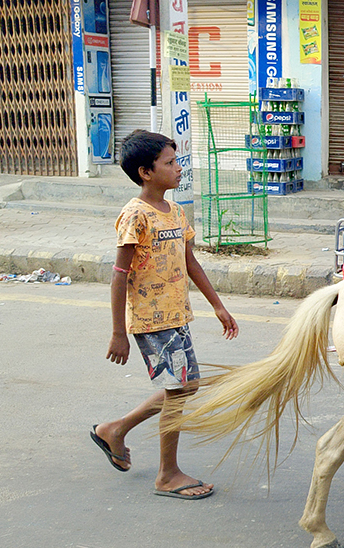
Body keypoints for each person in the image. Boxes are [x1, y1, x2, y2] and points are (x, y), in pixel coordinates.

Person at [90, 130, 239, 500]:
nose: (178, 168)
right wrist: (118, 332)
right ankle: (167, 474)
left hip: (176, 317)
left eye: (177, 160)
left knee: (184, 386)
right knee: (177, 391)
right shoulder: (134, 215)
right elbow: (119, 275)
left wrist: (218, 306)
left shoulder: (176, 211)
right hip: (151, 320)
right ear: (146, 172)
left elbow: (190, 262)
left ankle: (115, 429)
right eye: (170, 163)